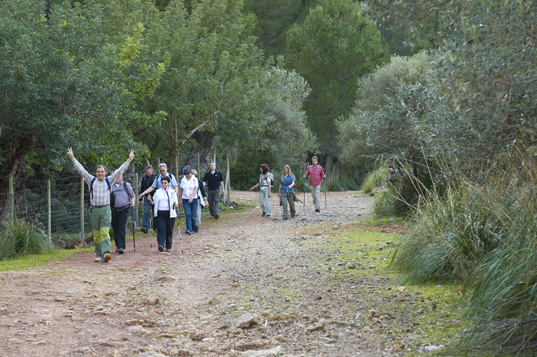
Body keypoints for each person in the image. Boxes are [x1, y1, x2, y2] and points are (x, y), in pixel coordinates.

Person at [67, 147, 134, 262]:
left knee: (104, 232)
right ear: (96, 173)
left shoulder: (109, 180)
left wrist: (128, 160)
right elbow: (81, 170)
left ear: (105, 173)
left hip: (105, 209)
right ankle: (98, 254)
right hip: (94, 210)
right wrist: (72, 158)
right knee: (97, 234)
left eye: (102, 172)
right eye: (98, 172)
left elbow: (119, 171)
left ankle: (106, 253)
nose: (100, 173)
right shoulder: (91, 180)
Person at [152, 176, 178, 253]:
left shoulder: (172, 192)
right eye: (162, 183)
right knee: (161, 229)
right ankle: (161, 244)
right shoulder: (158, 192)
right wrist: (150, 200)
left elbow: (175, 201)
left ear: (169, 183)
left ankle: (168, 246)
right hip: (160, 212)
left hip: (170, 213)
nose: (163, 184)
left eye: (165, 183)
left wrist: (175, 204)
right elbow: (154, 201)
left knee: (169, 230)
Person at [110, 175, 135, 254]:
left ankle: (121, 246)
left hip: (124, 209)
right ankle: (118, 245)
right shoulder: (110, 186)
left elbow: (133, 196)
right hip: (113, 209)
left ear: (122, 177)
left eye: (119, 176)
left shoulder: (126, 185)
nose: (118, 178)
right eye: (116, 175)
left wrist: (132, 201)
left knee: (121, 226)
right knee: (115, 227)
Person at [179, 166, 199, 234]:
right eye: (186, 174)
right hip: (185, 199)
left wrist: (192, 197)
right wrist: (180, 200)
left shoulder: (194, 179)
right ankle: (189, 229)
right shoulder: (183, 180)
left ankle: (194, 228)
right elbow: (181, 190)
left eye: (189, 173)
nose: (188, 175)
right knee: (188, 214)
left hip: (194, 199)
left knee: (193, 215)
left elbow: (196, 189)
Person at [139, 165, 156, 233]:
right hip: (146, 197)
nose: (147, 173)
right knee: (146, 212)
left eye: (148, 172)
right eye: (146, 172)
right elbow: (142, 188)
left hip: (154, 197)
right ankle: (145, 227)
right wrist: (140, 199)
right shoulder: (144, 178)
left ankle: (156, 228)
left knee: (155, 212)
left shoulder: (156, 177)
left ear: (151, 171)